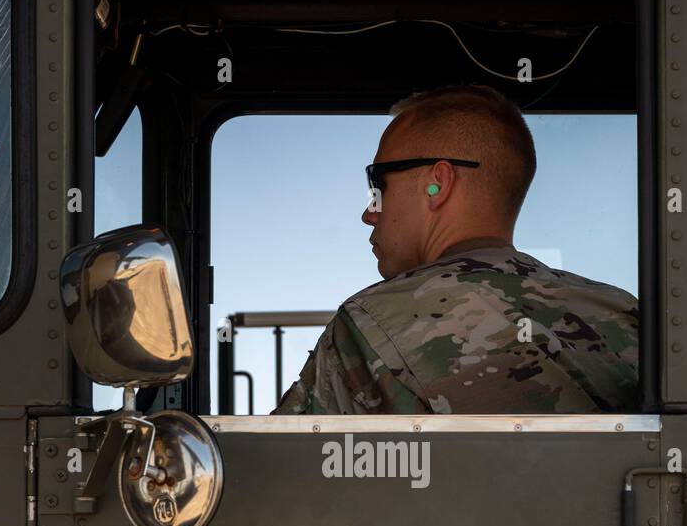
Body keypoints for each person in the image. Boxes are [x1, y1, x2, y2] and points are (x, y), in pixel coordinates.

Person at [273, 84, 638, 415]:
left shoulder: (368, 325)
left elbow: (281, 475)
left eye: (378, 185)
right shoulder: (624, 316)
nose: (369, 213)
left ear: (437, 184)